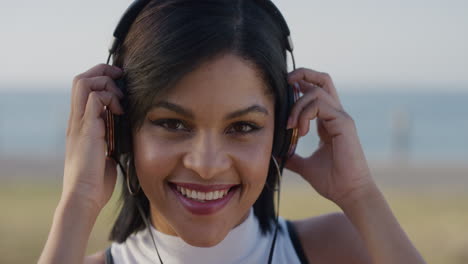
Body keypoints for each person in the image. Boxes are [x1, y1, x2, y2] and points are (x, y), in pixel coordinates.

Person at [39, 0, 426, 263]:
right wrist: (79, 200)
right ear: (122, 131)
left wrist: (361, 195)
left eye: (243, 126)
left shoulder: (340, 249)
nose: (206, 165)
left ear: (282, 134)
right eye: (173, 124)